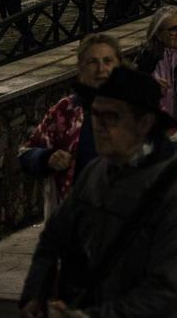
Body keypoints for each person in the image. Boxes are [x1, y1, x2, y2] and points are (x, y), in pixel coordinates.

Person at [19, 67, 177, 318]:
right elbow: (55, 237)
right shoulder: (97, 172)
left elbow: (168, 289)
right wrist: (35, 295)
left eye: (113, 117)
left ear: (144, 124)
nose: (100, 125)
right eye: (96, 114)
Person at [18, 34, 121, 210]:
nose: (101, 69)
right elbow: (25, 155)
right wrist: (47, 158)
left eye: (108, 61)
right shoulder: (66, 111)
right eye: (93, 62)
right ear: (81, 68)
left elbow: (175, 143)